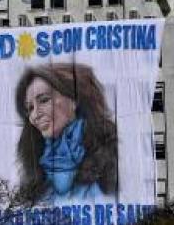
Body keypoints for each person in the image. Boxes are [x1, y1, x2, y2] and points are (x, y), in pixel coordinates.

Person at [13, 63, 118, 205]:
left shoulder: (113, 154)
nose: (35, 115)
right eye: (30, 108)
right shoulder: (36, 166)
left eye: (44, 100)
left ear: (74, 100)